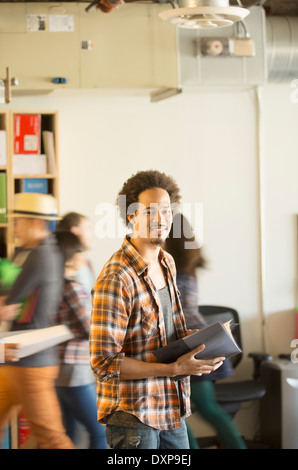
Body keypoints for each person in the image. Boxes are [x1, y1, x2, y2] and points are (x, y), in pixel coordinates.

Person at [89, 170, 225, 450]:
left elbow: (165, 333)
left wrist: (195, 339)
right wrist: (173, 367)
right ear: (131, 216)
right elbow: (104, 363)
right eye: (150, 212)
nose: (161, 219)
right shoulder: (117, 277)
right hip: (133, 414)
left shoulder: (167, 262)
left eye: (166, 210)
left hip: (169, 404)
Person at [165, 212, 247, 449]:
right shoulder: (187, 264)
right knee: (184, 410)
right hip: (202, 339)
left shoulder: (172, 268)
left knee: (186, 411)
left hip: (195, 342)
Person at [0, 192, 74, 449]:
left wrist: (6, 304)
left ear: (35, 223)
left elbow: (6, 305)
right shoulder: (29, 252)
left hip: (30, 364)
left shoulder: (39, 256)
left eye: (18, 221)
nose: (14, 226)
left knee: (52, 438)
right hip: (15, 359)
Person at [54, 230, 107, 449]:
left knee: (67, 434)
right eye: (79, 251)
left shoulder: (55, 285)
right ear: (70, 253)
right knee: (100, 432)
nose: (82, 256)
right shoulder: (73, 288)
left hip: (60, 368)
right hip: (74, 370)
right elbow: (89, 328)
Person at [57, 212, 94, 298]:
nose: (92, 235)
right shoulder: (75, 265)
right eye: (88, 229)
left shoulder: (84, 262)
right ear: (74, 231)